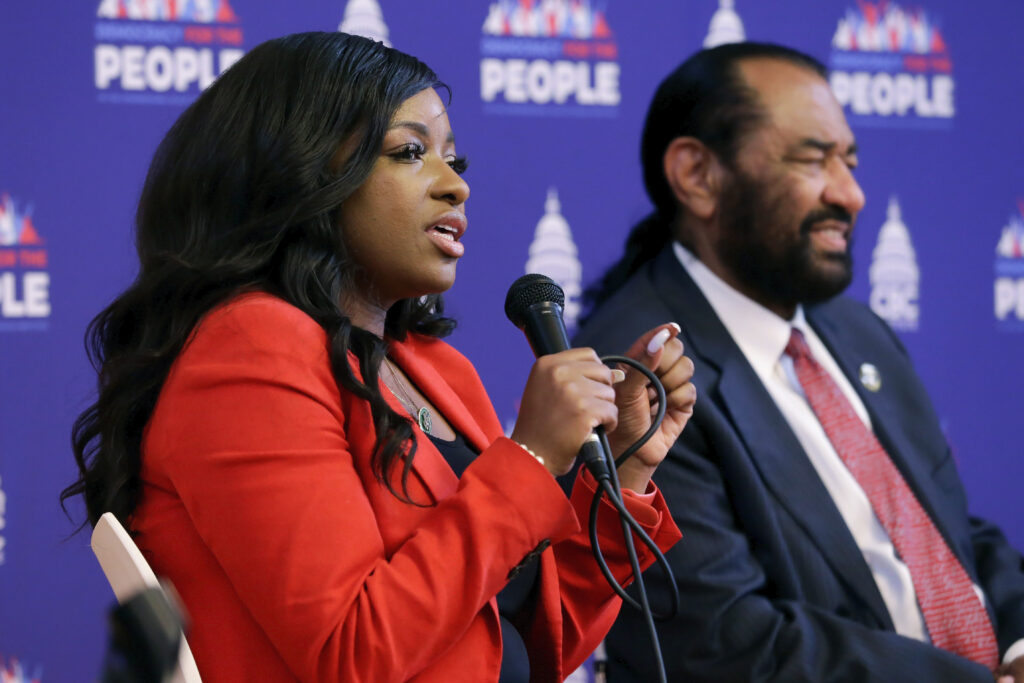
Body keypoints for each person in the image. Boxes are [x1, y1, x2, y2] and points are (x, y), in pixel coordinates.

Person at [61, 32, 698, 682]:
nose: (456, 187)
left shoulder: (439, 369)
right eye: (411, 152)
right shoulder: (248, 350)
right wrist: (530, 458)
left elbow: (529, 642)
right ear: (299, 172)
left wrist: (622, 471)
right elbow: (351, 652)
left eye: (455, 159)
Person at [574, 42, 1024, 683]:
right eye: (813, 159)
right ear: (698, 176)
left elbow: (953, 536)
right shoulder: (640, 372)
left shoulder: (855, 330)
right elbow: (721, 640)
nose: (851, 193)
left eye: (849, 159)